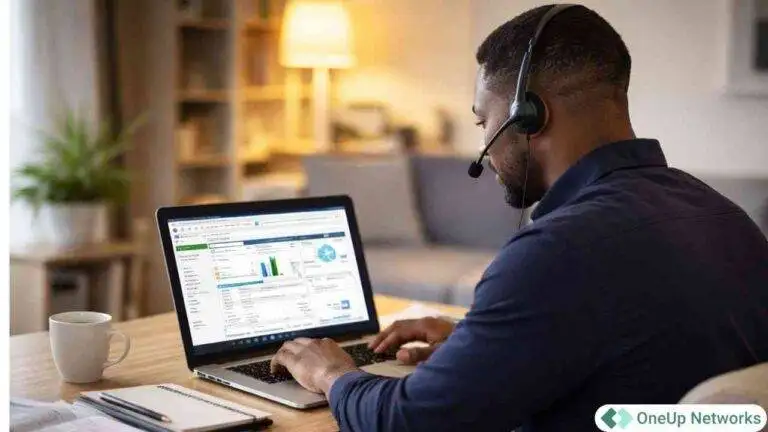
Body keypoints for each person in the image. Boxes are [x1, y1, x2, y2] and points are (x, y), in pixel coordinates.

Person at [270, 5, 768, 431]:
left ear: (530, 114)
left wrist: (330, 374)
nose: (483, 148)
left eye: (484, 121)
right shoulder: (724, 215)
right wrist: (484, 345)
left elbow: (411, 421)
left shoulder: (558, 251)